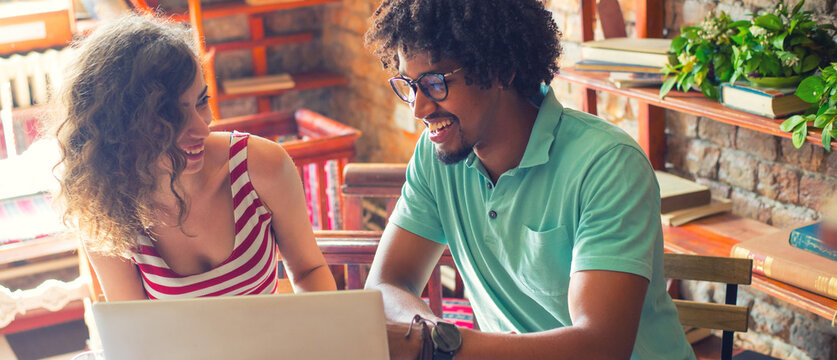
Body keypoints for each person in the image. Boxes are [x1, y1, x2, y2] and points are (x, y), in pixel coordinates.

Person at [363, 0, 694, 359]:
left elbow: (602, 346)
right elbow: (386, 283)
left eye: (435, 83)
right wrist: (431, 335)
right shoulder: (436, 157)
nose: (418, 107)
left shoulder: (608, 165)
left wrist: (441, 347)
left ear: (501, 70)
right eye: (409, 85)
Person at [54, 15, 336, 300]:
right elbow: (136, 329)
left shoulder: (262, 166)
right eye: (172, 116)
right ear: (119, 126)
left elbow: (308, 270)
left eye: (202, 101)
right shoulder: (106, 207)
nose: (203, 128)